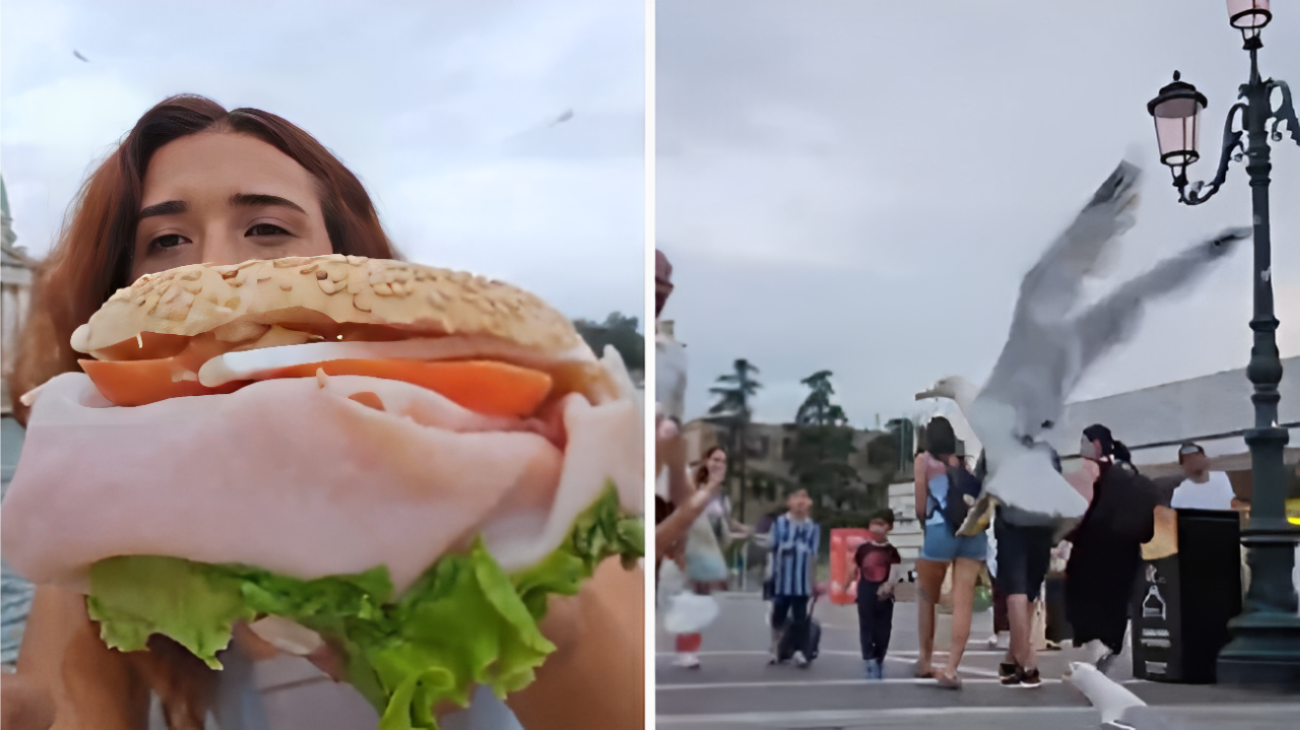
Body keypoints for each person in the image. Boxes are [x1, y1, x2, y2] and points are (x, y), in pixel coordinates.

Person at [0, 94, 642, 730]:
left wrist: (552, 637)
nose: (216, 268)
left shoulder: (533, 457)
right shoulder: (99, 509)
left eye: (267, 229)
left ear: (348, 253)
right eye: (166, 240)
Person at [1065, 424, 1159, 675]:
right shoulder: (1128, 471)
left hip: (1093, 548)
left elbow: (1080, 509)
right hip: (1126, 551)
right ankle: (1111, 644)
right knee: (1115, 601)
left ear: (1095, 444)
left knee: (1085, 599)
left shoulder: (1091, 470)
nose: (1080, 448)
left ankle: (1097, 646)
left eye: (1084, 442)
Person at [913, 417, 985, 688]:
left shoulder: (924, 461)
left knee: (926, 597)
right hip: (971, 534)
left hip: (939, 532)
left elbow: (921, 506)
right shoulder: (962, 463)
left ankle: (925, 660)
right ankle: (952, 669)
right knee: (963, 601)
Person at [671, 446, 748, 669]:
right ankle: (684, 651)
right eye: (715, 459)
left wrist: (748, 530)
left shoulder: (720, 496)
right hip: (688, 550)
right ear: (705, 461)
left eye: (723, 461)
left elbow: (728, 522)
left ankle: (688, 650)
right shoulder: (691, 486)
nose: (718, 464)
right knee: (688, 602)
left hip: (708, 555)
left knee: (699, 603)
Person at [768, 489, 820, 667]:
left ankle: (799, 650)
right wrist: (770, 575)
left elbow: (813, 556)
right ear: (789, 502)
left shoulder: (812, 527)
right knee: (778, 615)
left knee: (800, 616)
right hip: (782, 579)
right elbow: (772, 549)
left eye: (804, 498)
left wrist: (813, 582)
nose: (801, 502)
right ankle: (775, 647)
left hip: (801, 581)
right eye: (797, 498)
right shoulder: (780, 523)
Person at [848, 509, 902, 679]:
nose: (877, 528)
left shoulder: (892, 551)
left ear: (889, 527)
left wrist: (888, 586)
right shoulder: (863, 549)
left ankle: (879, 655)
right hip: (865, 589)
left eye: (881, 524)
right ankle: (869, 658)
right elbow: (853, 568)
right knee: (866, 625)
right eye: (874, 524)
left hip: (884, 594)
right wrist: (845, 584)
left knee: (883, 628)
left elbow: (895, 571)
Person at [1170, 442, 1239, 511]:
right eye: (1188, 459)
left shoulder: (1220, 476)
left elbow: (1232, 504)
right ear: (1183, 467)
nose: (1194, 462)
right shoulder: (1179, 488)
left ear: (1204, 458)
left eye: (1196, 456)